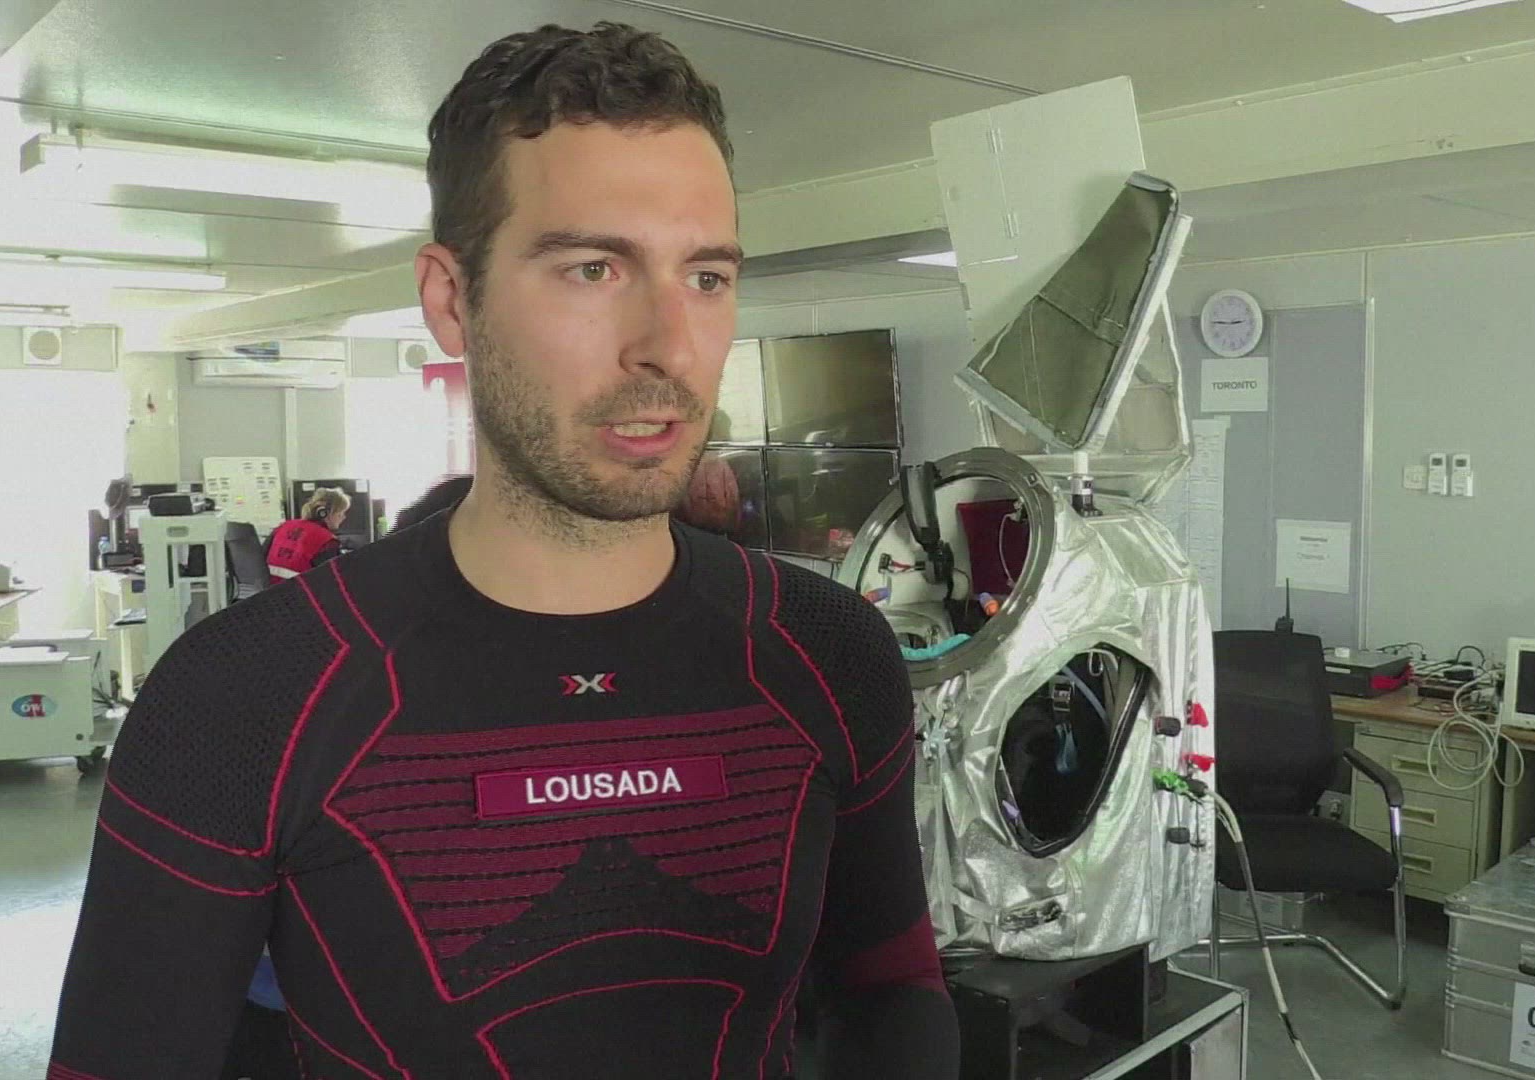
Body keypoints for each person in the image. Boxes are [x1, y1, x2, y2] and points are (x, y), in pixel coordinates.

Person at [50, 22, 957, 1080]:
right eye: (592, 268)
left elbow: (895, 995)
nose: (669, 346)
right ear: (451, 300)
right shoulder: (244, 698)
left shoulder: (826, 653)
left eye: (707, 277)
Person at [264, 487, 350, 580]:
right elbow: (332, 579)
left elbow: (260, 557)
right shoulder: (326, 540)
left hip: (268, 587)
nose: (343, 517)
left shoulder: (284, 526)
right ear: (324, 513)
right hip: (299, 588)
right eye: (341, 513)